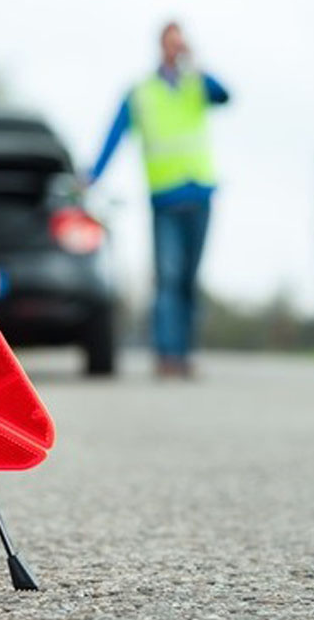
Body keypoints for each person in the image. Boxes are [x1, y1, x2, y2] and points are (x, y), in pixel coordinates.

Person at [86, 21, 230, 377]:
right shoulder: (142, 92)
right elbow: (115, 135)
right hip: (165, 199)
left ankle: (183, 353)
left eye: (181, 44)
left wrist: (196, 66)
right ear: (160, 47)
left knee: (189, 280)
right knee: (167, 276)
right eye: (171, 44)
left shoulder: (197, 84)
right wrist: (92, 176)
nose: (175, 50)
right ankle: (166, 355)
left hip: (199, 194)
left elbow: (226, 96)